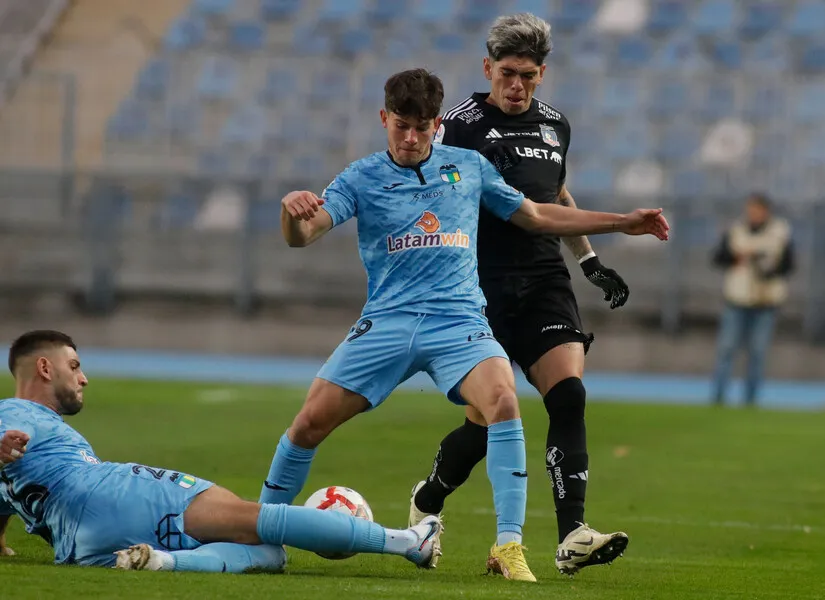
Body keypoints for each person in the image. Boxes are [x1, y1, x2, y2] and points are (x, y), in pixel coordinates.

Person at [261, 68, 668, 582]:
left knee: (502, 400)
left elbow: (538, 217)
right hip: (388, 322)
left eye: (423, 127)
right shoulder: (360, 176)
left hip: (458, 322)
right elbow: (304, 235)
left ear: (437, 125)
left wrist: (621, 224)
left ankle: (508, 547)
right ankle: (261, 534)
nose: (411, 139)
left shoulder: (468, 167)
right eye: (401, 126)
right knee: (308, 425)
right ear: (384, 119)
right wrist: (290, 212)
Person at [408, 13, 632, 576]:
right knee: (488, 423)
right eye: (507, 74)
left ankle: (572, 534)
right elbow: (422, 192)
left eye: (528, 77)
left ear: (542, 75)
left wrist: (589, 259)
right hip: (477, 287)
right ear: (488, 68)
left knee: (569, 396)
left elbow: (554, 191)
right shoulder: (457, 126)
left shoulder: (556, 126)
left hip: (543, 279)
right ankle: (430, 496)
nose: (517, 86)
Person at [0, 330, 443, 572]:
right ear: (44, 367)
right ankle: (406, 542)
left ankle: (164, 561)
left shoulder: (24, 437)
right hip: (111, 494)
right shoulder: (13, 411)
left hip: (79, 546)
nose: (83, 378)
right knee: (257, 522)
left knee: (272, 557)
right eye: (74, 366)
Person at [710, 192, 795, 406]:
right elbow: (718, 258)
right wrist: (737, 257)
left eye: (758, 210)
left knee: (757, 352)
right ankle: (718, 397)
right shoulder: (736, 230)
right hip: (737, 299)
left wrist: (766, 267)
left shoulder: (779, 233)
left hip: (765, 301)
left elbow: (788, 265)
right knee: (727, 349)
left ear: (766, 212)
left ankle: (750, 400)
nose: (753, 215)